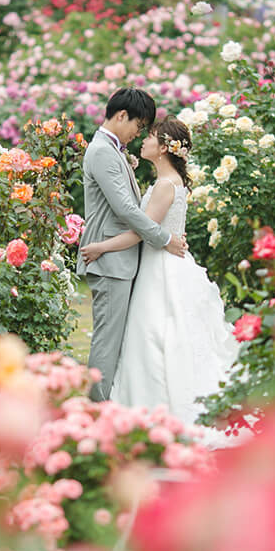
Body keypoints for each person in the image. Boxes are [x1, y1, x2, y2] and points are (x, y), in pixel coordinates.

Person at [81, 117, 238, 425]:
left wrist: (102, 247)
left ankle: (155, 402)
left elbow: (141, 232)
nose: (144, 139)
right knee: (157, 333)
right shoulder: (164, 183)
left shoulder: (166, 186)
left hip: (162, 270)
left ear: (165, 148)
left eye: (151, 136)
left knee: (157, 333)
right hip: (160, 262)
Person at [77, 88, 188, 403]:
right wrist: (164, 238)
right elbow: (125, 209)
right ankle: (97, 405)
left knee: (115, 339)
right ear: (121, 115)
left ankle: (104, 401)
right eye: (138, 126)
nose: (138, 134)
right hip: (111, 261)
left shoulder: (111, 150)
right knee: (107, 340)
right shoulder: (101, 151)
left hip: (119, 259)